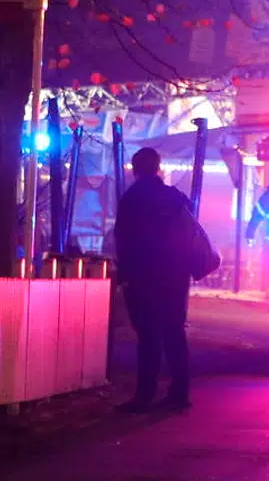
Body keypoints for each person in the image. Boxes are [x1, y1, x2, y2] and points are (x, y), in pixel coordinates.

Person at [113, 147, 196, 413]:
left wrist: (124, 275)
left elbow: (123, 239)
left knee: (148, 336)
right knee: (174, 333)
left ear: (135, 169)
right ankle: (180, 393)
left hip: (144, 276)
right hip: (175, 276)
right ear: (158, 168)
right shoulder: (176, 197)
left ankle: (144, 395)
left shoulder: (132, 199)